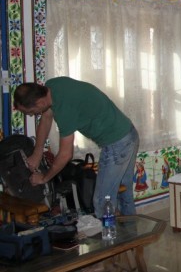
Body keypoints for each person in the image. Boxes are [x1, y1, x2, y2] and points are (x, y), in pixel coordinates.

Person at [13, 77, 140, 218]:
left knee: (102, 202)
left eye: (30, 112)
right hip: (128, 134)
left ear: (40, 102)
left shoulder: (64, 110)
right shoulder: (52, 86)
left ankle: (112, 232)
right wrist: (37, 153)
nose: (31, 115)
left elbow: (66, 154)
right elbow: (46, 118)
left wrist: (44, 178)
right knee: (124, 192)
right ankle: (131, 229)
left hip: (117, 143)